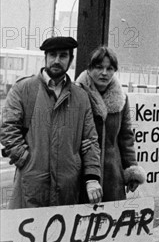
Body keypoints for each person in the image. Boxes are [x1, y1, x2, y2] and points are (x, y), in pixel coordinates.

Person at [0, 36, 102, 208]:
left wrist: (92, 177)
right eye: (52, 55)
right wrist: (25, 159)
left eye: (63, 56)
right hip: (31, 185)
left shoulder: (81, 97)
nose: (57, 60)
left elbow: (91, 140)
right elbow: (8, 128)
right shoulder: (23, 89)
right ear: (45, 57)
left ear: (71, 59)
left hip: (68, 188)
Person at [76, 46, 146, 202]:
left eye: (110, 68)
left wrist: (131, 170)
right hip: (81, 173)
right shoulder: (76, 95)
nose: (104, 73)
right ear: (89, 68)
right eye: (99, 67)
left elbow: (126, 137)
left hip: (112, 175)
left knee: (111, 222)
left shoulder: (121, 99)